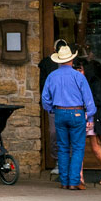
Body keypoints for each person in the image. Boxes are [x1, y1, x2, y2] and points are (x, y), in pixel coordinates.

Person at [41, 42, 95, 190]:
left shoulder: (52, 76)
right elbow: (88, 99)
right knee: (77, 148)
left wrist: (51, 109)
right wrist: (89, 116)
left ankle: (64, 181)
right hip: (77, 112)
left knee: (63, 148)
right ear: (71, 60)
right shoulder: (78, 76)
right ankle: (74, 181)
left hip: (59, 112)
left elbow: (45, 98)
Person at [75, 57, 101, 186]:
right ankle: (80, 176)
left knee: (95, 148)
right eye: (77, 69)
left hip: (92, 117)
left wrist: (86, 106)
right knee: (79, 148)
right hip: (79, 117)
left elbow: (98, 101)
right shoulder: (77, 81)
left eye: (80, 69)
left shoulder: (95, 82)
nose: (78, 72)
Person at [39, 38, 67, 175]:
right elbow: (43, 87)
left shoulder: (73, 68)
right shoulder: (47, 65)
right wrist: (48, 106)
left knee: (71, 135)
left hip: (71, 107)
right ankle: (57, 161)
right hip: (55, 106)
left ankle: (69, 164)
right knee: (54, 134)